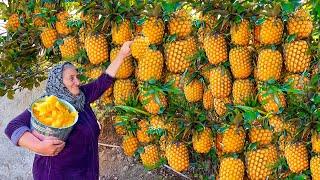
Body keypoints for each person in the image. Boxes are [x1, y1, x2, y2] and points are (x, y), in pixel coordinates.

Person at [4, 41, 133, 180]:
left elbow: (102, 82)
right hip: (55, 175)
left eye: (77, 76)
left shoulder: (80, 96)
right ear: (59, 83)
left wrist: (122, 54)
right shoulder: (48, 104)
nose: (77, 82)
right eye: (71, 78)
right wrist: (39, 147)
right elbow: (12, 127)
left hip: (86, 173)